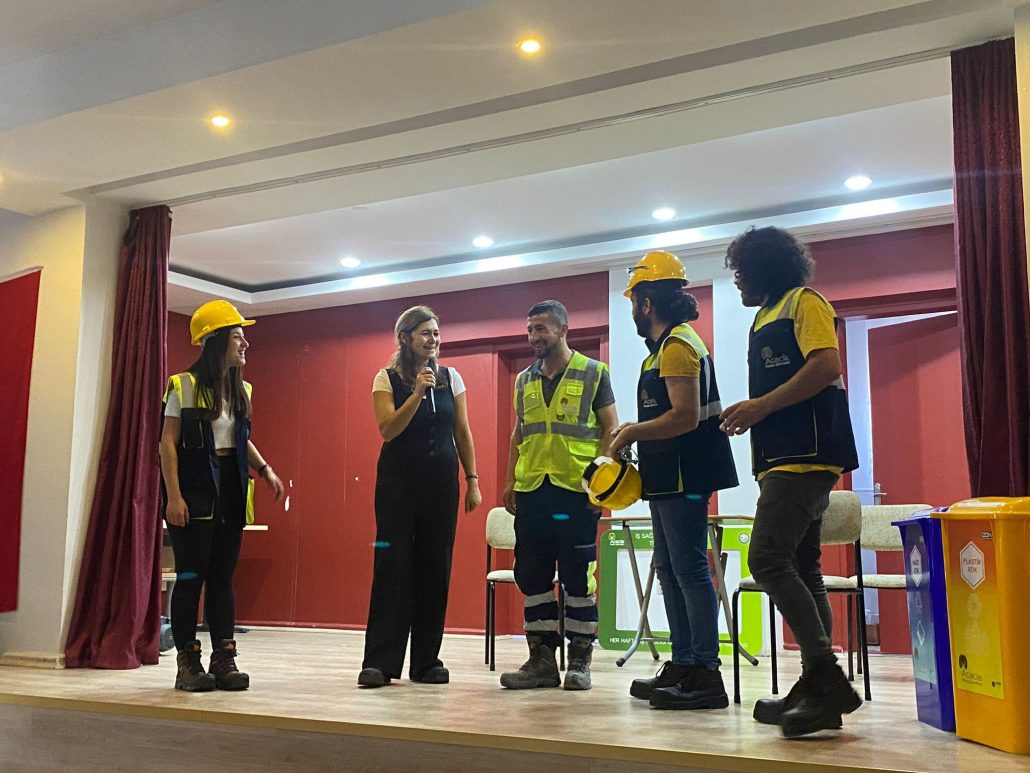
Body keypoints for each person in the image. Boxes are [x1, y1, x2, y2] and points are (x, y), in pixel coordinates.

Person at [719, 226, 861, 738]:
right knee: (803, 566)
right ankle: (816, 688)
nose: (737, 282)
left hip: (808, 455)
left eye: (741, 272)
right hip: (780, 458)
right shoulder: (765, 316)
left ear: (766, 267)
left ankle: (826, 678)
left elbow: (826, 365)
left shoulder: (806, 302)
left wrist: (760, 406)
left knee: (766, 558)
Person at [610, 251, 739, 710]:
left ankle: (706, 671)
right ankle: (683, 662)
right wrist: (636, 429)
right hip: (666, 477)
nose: (632, 310)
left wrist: (631, 433)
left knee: (689, 570)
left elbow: (684, 417)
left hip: (687, 473)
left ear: (647, 303)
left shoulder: (680, 345)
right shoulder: (662, 349)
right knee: (668, 569)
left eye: (634, 301)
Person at [159, 299, 285, 692]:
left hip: (230, 489)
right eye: (237, 337)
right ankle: (188, 662)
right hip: (194, 490)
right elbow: (167, 443)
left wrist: (265, 469)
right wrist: (174, 496)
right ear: (214, 340)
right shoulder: (182, 385)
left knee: (222, 579)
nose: (245, 344)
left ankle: (224, 658)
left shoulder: (242, 389)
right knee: (191, 576)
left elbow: (239, 439)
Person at [359, 306, 481, 688]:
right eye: (426, 333)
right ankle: (380, 662)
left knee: (434, 568)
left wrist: (472, 480)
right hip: (397, 485)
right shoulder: (386, 378)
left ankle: (427, 662)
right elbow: (388, 429)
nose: (434, 340)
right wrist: (415, 393)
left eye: (436, 333)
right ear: (405, 337)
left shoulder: (452, 378)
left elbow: (462, 431)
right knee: (392, 567)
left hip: (441, 484)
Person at [499, 300, 618, 691]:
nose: (534, 336)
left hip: (576, 492)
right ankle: (541, 661)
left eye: (541, 328)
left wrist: (601, 484)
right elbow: (519, 433)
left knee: (577, 577)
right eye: (530, 329)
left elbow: (611, 429)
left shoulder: (594, 372)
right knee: (531, 575)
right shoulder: (523, 379)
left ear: (564, 330)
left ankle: (580, 659)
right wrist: (510, 481)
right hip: (533, 490)